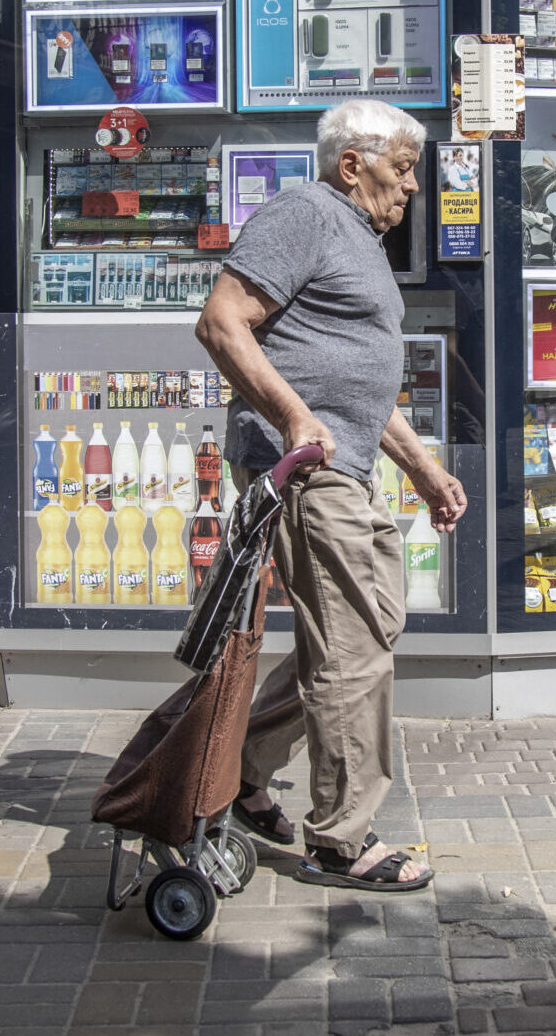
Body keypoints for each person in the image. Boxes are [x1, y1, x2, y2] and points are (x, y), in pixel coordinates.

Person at [194, 98, 468, 891]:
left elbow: (352, 378)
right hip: (310, 468)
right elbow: (221, 323)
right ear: (354, 163)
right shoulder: (305, 213)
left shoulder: (358, 238)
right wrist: (293, 418)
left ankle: (241, 773)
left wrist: (420, 465)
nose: (413, 186)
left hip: (345, 462)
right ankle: (341, 839)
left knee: (356, 638)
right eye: (405, 167)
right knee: (355, 651)